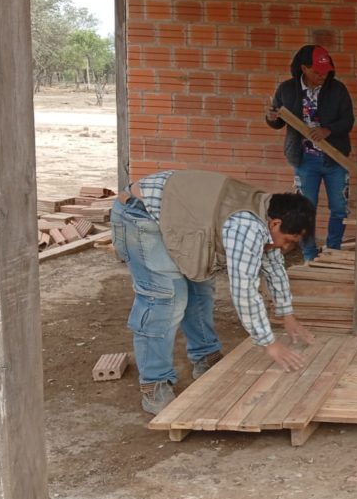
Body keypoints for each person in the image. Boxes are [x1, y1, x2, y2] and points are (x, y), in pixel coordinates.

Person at [110, 169, 317, 415]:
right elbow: (244, 289)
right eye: (289, 240)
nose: (286, 247)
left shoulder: (268, 216)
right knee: (166, 298)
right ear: (276, 223)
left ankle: (205, 356)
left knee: (200, 287)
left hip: (178, 218)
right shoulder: (247, 226)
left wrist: (287, 315)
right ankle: (154, 382)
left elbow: (273, 266)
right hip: (139, 213)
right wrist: (268, 342)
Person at [265, 44, 355, 261]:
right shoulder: (286, 89)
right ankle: (309, 255)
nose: (322, 76)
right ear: (303, 68)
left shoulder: (338, 89)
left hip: (335, 158)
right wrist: (271, 118)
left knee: (339, 208)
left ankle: (333, 251)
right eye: (317, 71)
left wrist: (328, 130)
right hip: (304, 159)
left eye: (326, 71)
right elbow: (277, 121)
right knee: (305, 211)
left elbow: (348, 121)